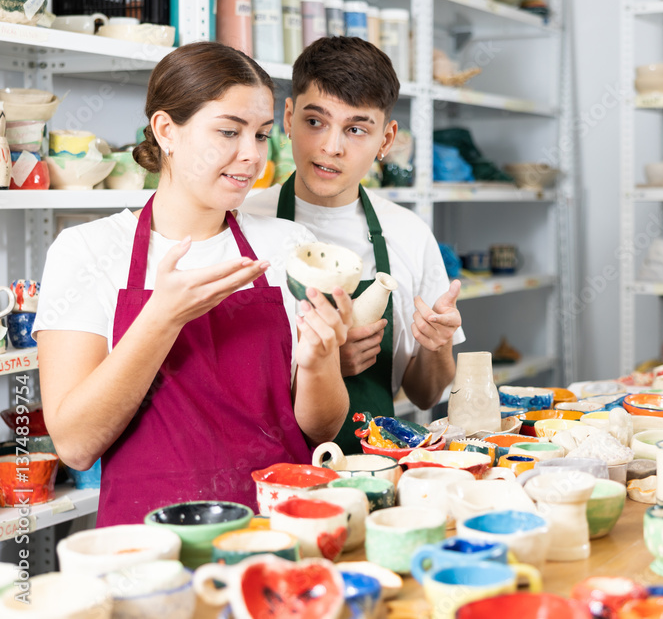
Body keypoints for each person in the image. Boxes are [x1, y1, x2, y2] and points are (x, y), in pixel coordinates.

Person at [34, 42, 353, 526]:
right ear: (167, 131)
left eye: (263, 135)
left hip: (281, 527)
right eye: (229, 131)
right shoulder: (87, 251)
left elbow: (319, 427)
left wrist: (318, 362)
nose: (251, 156)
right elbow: (76, 446)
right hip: (151, 541)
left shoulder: (290, 246)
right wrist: (161, 318)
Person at [242, 36, 465, 454]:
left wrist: (438, 345)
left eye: (356, 129)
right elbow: (219, 388)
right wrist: (322, 368)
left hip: (373, 473)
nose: (331, 147)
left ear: (386, 139)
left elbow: (425, 394)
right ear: (288, 118)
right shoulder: (244, 223)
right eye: (314, 122)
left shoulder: (408, 234)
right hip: (270, 475)